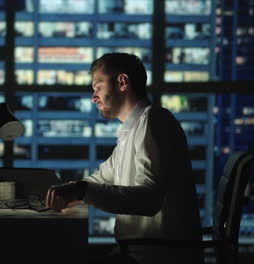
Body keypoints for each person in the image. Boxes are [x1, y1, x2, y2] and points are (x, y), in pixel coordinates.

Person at [45, 52, 203, 264]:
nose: (94, 97)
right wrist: (70, 190)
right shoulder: (132, 130)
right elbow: (101, 178)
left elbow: (148, 199)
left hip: (155, 257)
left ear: (122, 82)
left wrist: (80, 190)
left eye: (98, 87)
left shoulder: (153, 122)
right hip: (139, 253)